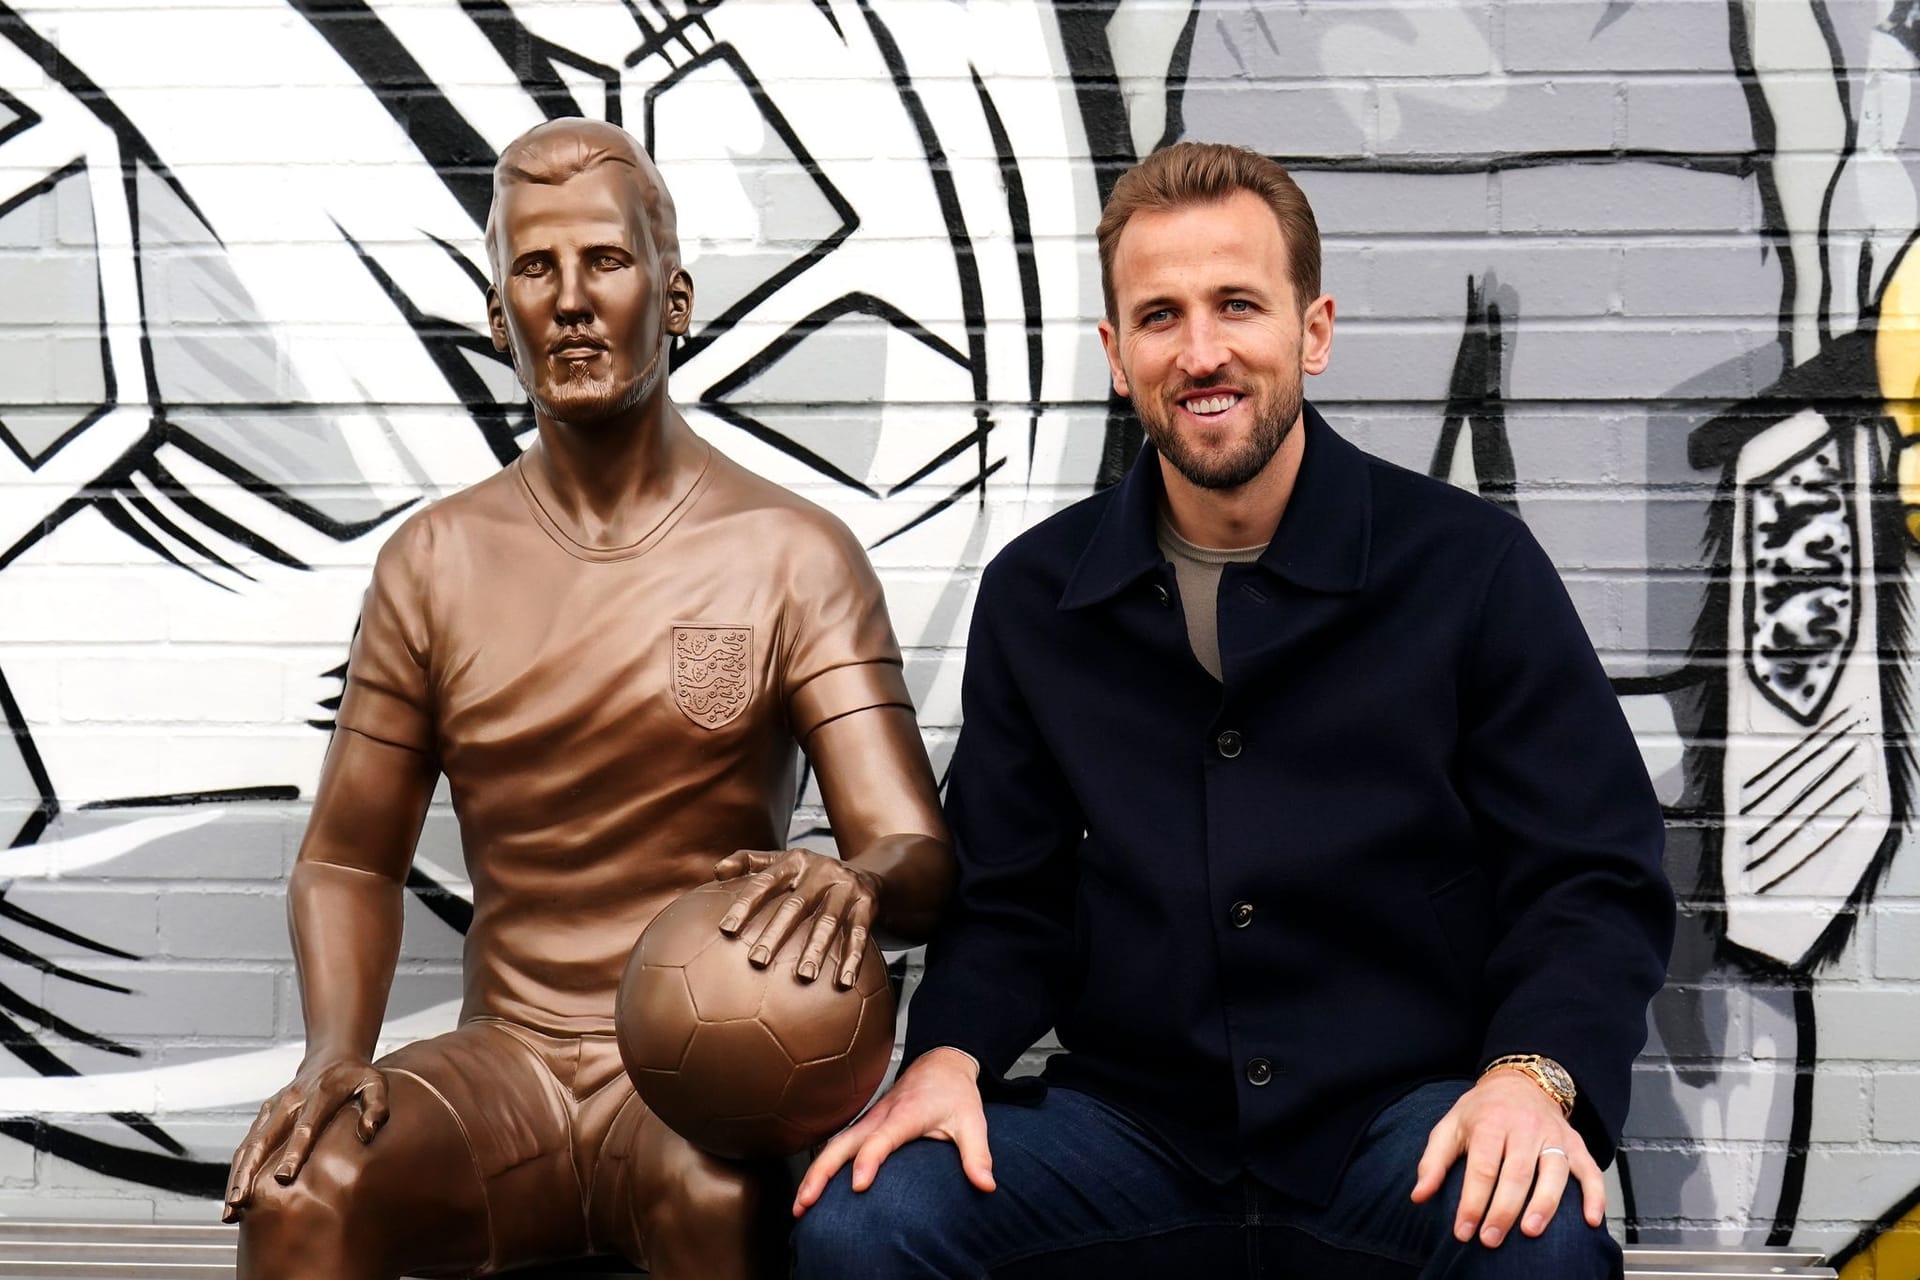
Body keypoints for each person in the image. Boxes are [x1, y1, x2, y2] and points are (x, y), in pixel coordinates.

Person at [790, 141, 1675, 1279]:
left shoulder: (1471, 569)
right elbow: (1012, 900)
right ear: (1116, 356)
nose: (1201, 352)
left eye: (1237, 305)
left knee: (1541, 1239)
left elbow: (1591, 873)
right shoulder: (1038, 596)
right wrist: (949, 1053)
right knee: (865, 1219)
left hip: (1401, 1128)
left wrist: (1532, 1074)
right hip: (1130, 1132)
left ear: (1313, 329)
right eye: (1160, 316)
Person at [219, 118, 951, 1280]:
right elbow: (350, 856)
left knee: (718, 1191)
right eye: (534, 267)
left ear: (675, 297)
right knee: (303, 1186)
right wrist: (332, 1051)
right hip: (502, 1069)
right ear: (497, 316)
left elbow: (915, 849)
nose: (569, 300)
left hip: (691, 1082)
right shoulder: (434, 562)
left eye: (605, 261)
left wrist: (853, 879)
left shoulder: (792, 554)